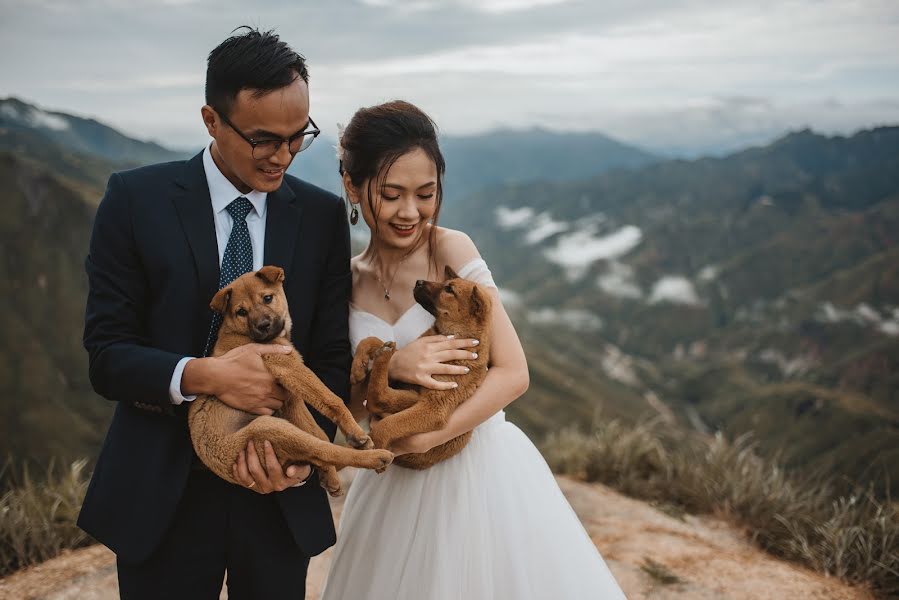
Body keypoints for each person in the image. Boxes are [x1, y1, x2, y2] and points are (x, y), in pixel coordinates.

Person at [79, 28, 349, 599]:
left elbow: (329, 358)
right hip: (162, 496)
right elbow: (107, 356)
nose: (284, 155)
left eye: (299, 136)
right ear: (210, 120)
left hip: (278, 499)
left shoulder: (322, 217)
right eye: (263, 139)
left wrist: (298, 457)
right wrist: (205, 376)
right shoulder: (134, 201)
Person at [321, 100, 627, 599]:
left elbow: (512, 372)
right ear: (353, 186)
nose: (410, 212)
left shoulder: (451, 251)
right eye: (391, 194)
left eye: (426, 193)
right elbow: (350, 409)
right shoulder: (345, 282)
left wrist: (430, 433)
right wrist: (389, 364)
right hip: (389, 485)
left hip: (476, 472)